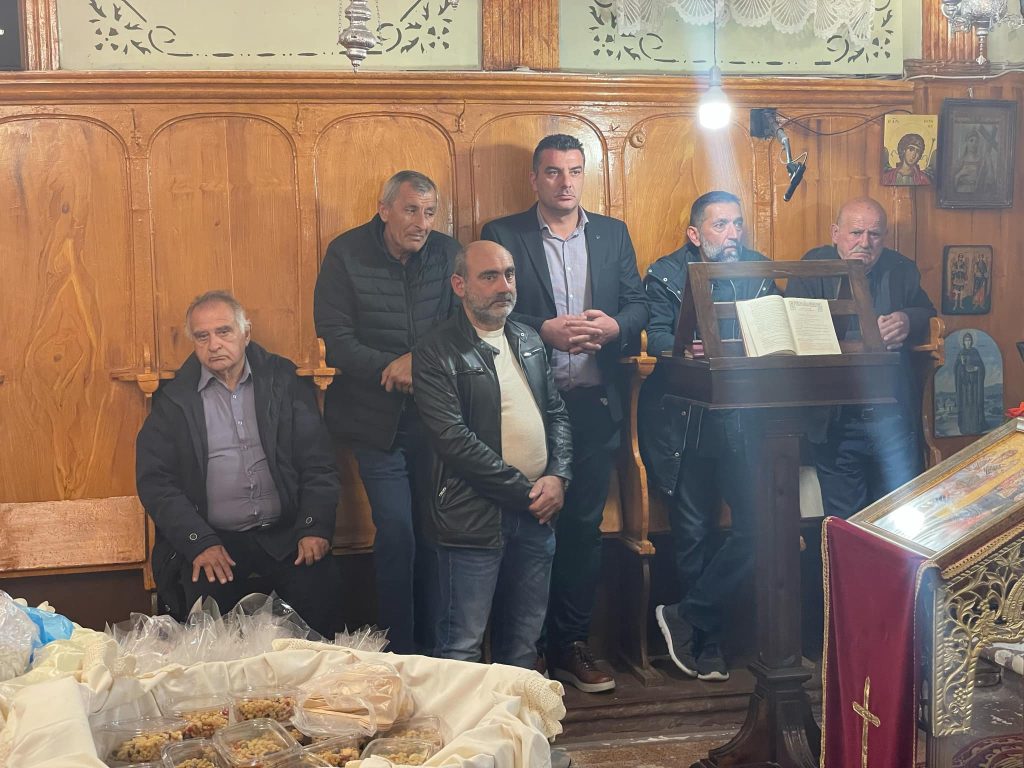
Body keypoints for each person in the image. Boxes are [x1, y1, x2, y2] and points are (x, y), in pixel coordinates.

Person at [480, 134, 648, 693]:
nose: (566, 182)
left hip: (594, 404)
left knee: (581, 528)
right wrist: (542, 330)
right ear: (535, 179)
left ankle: (571, 644)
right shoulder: (505, 234)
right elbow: (490, 308)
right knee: (525, 527)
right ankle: (521, 650)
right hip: (526, 407)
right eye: (553, 172)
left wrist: (615, 326)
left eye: (575, 171)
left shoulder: (612, 233)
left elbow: (638, 302)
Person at [313, 170, 460, 655]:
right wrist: (390, 368)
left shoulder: (447, 253)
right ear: (384, 210)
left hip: (437, 417)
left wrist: (420, 363)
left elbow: (463, 326)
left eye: (430, 212)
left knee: (436, 532)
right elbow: (335, 338)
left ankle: (440, 652)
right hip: (373, 420)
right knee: (396, 532)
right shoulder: (346, 253)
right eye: (411, 210)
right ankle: (402, 651)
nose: (422, 223)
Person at [136, 291, 340, 635]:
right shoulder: (175, 399)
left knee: (320, 595)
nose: (214, 344)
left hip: (287, 535)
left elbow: (318, 461)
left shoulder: (282, 380)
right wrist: (198, 541)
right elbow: (156, 482)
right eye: (202, 336)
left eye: (224, 331)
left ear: (246, 333)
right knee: (207, 619)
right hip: (215, 539)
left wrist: (314, 526)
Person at [412, 240, 573, 668]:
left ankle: (516, 714)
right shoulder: (435, 349)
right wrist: (527, 492)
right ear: (459, 285)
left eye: (509, 274)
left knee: (524, 645)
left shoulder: (528, 338)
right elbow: (453, 440)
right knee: (461, 648)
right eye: (489, 276)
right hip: (472, 516)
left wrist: (558, 477)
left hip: (537, 514)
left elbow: (556, 413)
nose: (504, 286)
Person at [640, 191, 777, 682]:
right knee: (694, 535)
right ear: (695, 234)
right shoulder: (665, 273)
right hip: (686, 422)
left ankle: (690, 614)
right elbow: (654, 336)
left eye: (737, 224)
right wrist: (684, 348)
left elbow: (774, 329)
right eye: (721, 225)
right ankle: (707, 644)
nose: (733, 234)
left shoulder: (758, 269)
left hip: (742, 420)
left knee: (758, 527)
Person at [787, 197, 936, 518]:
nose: (865, 243)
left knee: (899, 520)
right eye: (856, 233)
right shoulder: (812, 268)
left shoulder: (900, 269)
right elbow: (800, 331)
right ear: (835, 233)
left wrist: (907, 320)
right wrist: (864, 339)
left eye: (875, 234)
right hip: (836, 421)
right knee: (847, 523)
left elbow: (927, 312)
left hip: (893, 418)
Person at [955, 332, 987, 435]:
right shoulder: (960, 353)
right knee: (966, 406)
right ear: (963, 342)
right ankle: (965, 428)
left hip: (975, 386)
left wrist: (977, 369)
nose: (968, 342)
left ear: (972, 341)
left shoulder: (975, 352)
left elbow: (982, 367)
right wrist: (962, 366)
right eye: (966, 340)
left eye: (969, 340)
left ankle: (976, 427)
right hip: (965, 386)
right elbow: (956, 369)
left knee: (974, 405)